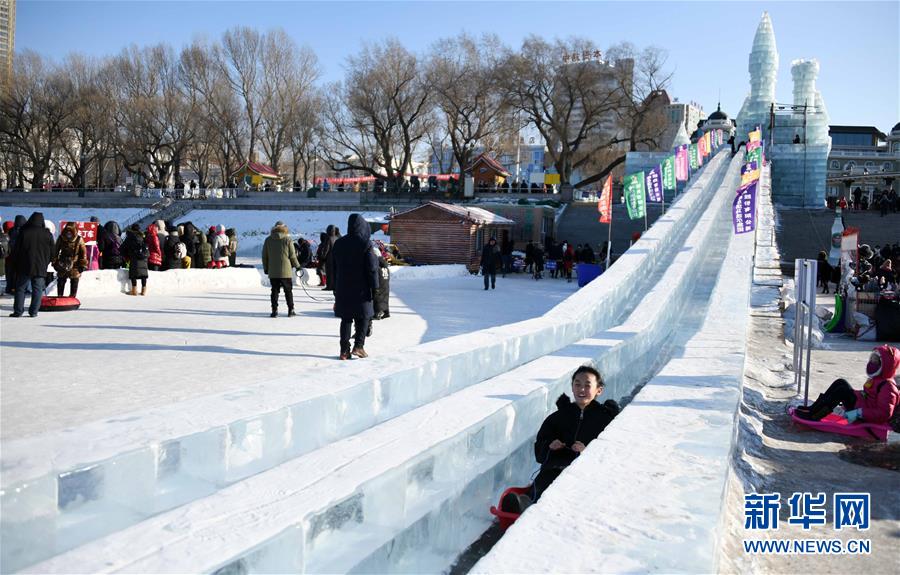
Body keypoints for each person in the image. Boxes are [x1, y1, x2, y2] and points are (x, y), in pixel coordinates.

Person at [528, 366, 619, 503]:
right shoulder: (557, 417)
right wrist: (549, 446)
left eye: (587, 385)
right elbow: (539, 450)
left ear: (598, 390)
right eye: (577, 384)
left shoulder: (606, 419)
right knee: (543, 488)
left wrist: (587, 451)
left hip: (588, 475)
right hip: (555, 469)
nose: (581, 389)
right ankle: (522, 505)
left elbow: (613, 454)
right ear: (572, 387)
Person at [795, 345, 899, 424]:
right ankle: (813, 409)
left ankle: (814, 416)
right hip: (862, 406)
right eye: (871, 359)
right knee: (841, 383)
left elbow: (884, 413)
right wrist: (855, 394)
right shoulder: (877, 379)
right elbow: (868, 395)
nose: (872, 363)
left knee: (842, 391)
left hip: (864, 415)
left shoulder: (888, 387)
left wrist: (859, 413)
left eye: (875, 361)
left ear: (885, 365)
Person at [331, 213, 379, 360]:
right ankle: (359, 347)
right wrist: (375, 286)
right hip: (362, 288)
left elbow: (334, 267)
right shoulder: (365, 243)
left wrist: (335, 286)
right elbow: (372, 268)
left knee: (346, 319)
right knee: (363, 317)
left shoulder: (339, 243)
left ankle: (344, 351)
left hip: (343, 287)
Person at [10, 212, 54, 317]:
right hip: (40, 266)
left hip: (24, 265)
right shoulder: (47, 234)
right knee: (38, 289)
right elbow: (53, 251)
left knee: (21, 288)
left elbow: (16, 250)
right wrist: (46, 261)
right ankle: (34, 311)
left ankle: (18, 311)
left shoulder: (24, 232)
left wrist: (15, 263)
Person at [262, 220, 300, 317]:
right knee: (288, 291)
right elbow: (292, 256)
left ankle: (274, 310)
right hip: (286, 271)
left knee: (274, 290)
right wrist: (297, 266)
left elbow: (264, 256)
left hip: (273, 271)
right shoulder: (288, 240)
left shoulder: (268, 240)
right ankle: (290, 310)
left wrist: (266, 268)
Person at [52, 222, 87, 298]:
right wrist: (55, 262)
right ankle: (60, 296)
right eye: (67, 231)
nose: (68, 233)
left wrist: (82, 265)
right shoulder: (61, 238)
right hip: (62, 263)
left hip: (75, 264)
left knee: (74, 280)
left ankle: (72, 296)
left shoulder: (79, 239)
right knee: (61, 280)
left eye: (70, 231)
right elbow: (55, 251)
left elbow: (83, 253)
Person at [122, 223, 149, 296]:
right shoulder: (142, 237)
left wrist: (126, 256)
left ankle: (134, 291)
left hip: (134, 258)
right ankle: (143, 291)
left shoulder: (130, 237)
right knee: (143, 274)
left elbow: (122, 248)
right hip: (143, 258)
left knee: (133, 274)